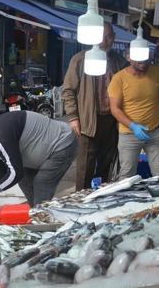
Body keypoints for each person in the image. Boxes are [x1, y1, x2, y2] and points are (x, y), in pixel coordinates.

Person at [62, 23, 129, 190]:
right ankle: (80, 203)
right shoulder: (80, 60)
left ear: (113, 38)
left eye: (109, 37)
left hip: (112, 121)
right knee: (85, 167)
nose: (104, 41)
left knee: (106, 166)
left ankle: (101, 201)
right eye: (101, 36)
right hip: (88, 121)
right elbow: (68, 90)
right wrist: (73, 117)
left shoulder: (119, 62)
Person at [0, 111, 77, 210]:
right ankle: (36, 210)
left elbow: (16, 173)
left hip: (62, 145)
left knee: (41, 183)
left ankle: (41, 218)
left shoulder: (0, 132)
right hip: (46, 149)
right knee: (24, 179)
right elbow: (0, 167)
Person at [108, 51, 159, 179]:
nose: (143, 63)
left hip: (155, 131)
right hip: (129, 134)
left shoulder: (157, 72)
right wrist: (133, 126)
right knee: (127, 175)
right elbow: (114, 109)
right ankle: (126, 199)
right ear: (129, 57)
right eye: (139, 60)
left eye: (145, 59)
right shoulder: (118, 79)